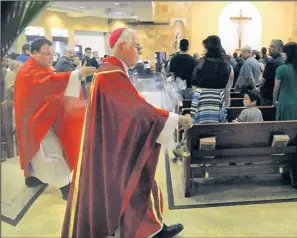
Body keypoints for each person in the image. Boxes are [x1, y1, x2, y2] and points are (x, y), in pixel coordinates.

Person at [61, 28, 190, 238]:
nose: (139, 52)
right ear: (122, 46)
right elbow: (137, 111)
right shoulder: (111, 74)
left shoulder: (110, 70)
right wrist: (176, 119)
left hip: (114, 142)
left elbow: (130, 108)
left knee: (140, 181)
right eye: (137, 47)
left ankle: (153, 228)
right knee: (135, 181)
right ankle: (150, 230)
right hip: (115, 146)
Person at [14, 38, 96, 200]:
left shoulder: (41, 67)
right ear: (34, 53)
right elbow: (49, 83)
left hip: (42, 116)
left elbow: (51, 85)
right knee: (49, 152)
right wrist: (78, 74)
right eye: (47, 54)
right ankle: (66, 187)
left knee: (41, 152)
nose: (51, 57)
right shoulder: (29, 71)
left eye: (52, 54)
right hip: (35, 121)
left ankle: (32, 177)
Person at [191, 35, 234, 123]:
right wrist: (225, 104)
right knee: (218, 130)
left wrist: (201, 94)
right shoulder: (227, 66)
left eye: (205, 48)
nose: (204, 50)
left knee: (200, 128)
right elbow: (227, 89)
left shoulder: (201, 63)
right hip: (219, 101)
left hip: (201, 102)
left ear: (208, 48)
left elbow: (193, 83)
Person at [273, 42, 297, 120]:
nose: (282, 55)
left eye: (283, 53)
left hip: (285, 101)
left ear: (288, 54)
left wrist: (274, 100)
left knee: (284, 128)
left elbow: (276, 88)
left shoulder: (281, 69)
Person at [260, 39, 285, 106]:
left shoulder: (271, 62)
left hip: (268, 96)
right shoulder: (284, 61)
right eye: (270, 46)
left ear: (279, 49)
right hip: (280, 96)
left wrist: (259, 88)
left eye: (272, 46)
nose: (269, 48)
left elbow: (263, 81)